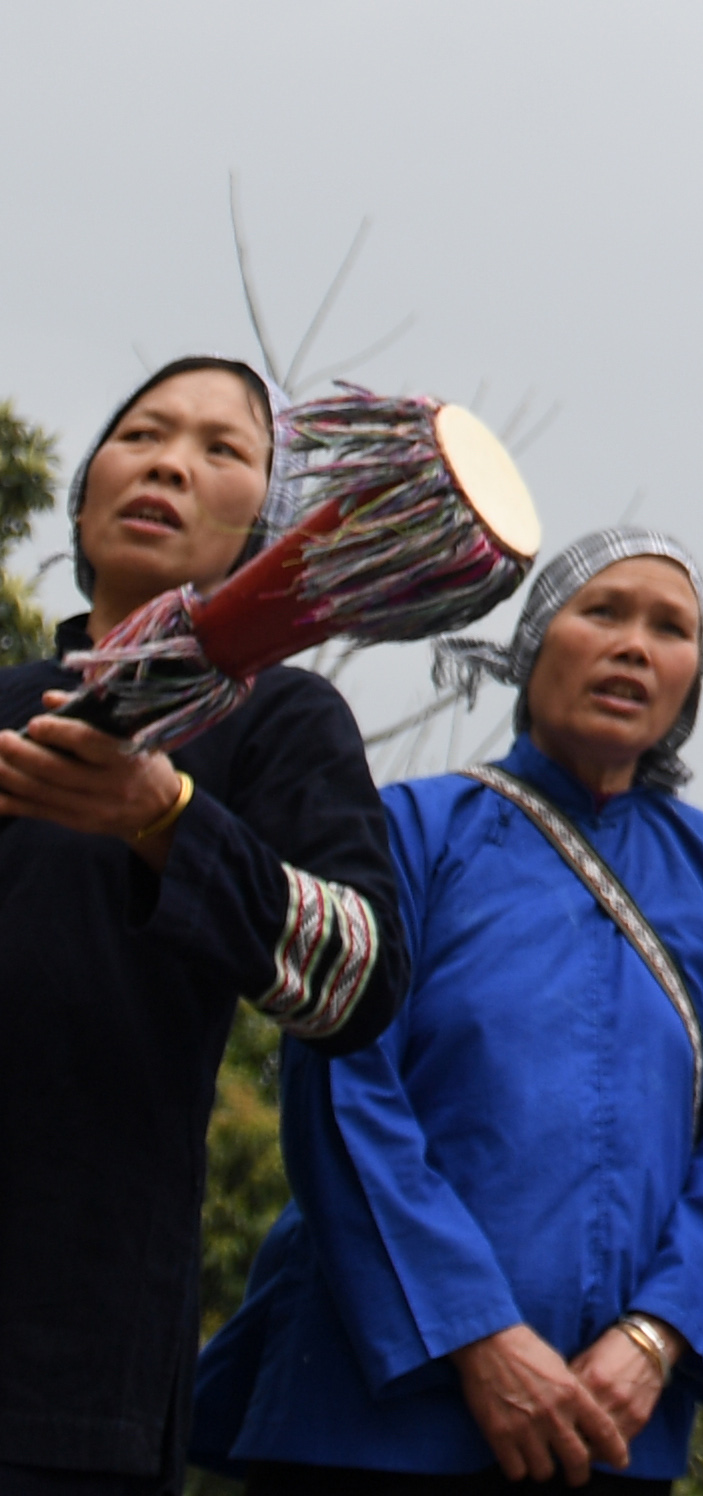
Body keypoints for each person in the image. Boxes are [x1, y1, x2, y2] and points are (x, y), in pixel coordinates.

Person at [200, 534, 703, 1494]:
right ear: (533, 645)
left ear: (693, 682)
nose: (634, 645)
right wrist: (479, 1335)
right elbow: (347, 1089)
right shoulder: (409, 831)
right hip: (376, 1419)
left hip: (610, 1423)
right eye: (603, 612)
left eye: (669, 628)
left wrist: (654, 1335)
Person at [0, 360, 408, 1496]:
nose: (171, 461)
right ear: (84, 497)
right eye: (141, 434)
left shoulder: (280, 715)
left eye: (224, 450)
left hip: (69, 1362)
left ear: (267, 537)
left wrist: (167, 817)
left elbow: (361, 979)